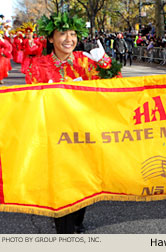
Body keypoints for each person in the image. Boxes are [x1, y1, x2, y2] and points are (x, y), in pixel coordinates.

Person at [25, 12, 112, 233]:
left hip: (84, 134)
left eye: (73, 34)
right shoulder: (38, 66)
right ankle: (64, 229)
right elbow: (31, 101)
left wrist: (105, 64)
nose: (68, 39)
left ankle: (76, 219)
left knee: (83, 182)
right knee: (61, 185)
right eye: (62, 33)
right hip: (53, 137)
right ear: (51, 38)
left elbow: (114, 90)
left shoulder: (86, 61)